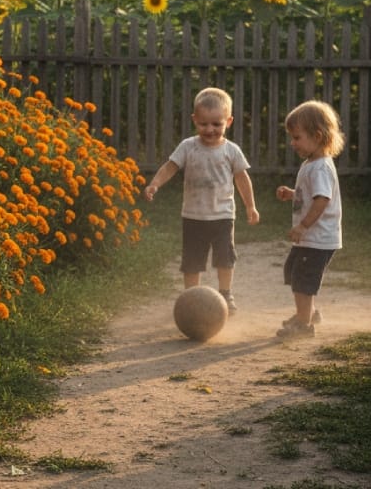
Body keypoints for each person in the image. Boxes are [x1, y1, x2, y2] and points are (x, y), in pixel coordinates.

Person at [143, 87, 260, 312]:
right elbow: (170, 167)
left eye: (217, 124)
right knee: (192, 261)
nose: (210, 129)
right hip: (193, 216)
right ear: (194, 120)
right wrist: (155, 184)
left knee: (225, 258)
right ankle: (191, 298)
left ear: (229, 121)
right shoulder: (188, 147)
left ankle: (225, 294)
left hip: (223, 216)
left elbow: (242, 179)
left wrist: (250, 206)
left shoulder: (231, 151)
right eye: (203, 123)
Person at [275, 100, 344, 339]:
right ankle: (308, 313)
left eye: (297, 137)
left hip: (317, 237)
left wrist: (303, 226)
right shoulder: (311, 164)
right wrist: (293, 195)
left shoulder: (320, 168)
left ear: (317, 135)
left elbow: (322, 200)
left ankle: (304, 326)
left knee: (303, 280)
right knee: (295, 272)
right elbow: (312, 195)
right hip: (311, 239)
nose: (292, 143)